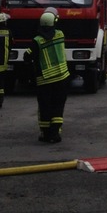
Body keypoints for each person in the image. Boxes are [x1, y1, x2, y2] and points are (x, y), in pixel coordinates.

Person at [24, 8, 70, 143]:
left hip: (44, 80)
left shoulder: (37, 41)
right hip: (62, 77)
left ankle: (45, 134)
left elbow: (27, 56)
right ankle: (55, 134)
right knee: (58, 105)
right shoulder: (60, 34)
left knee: (45, 107)